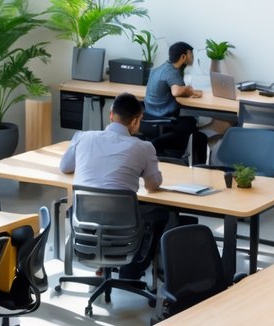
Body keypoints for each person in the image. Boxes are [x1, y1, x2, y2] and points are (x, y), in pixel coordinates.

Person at [59, 92, 170, 278]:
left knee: (105, 210)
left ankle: (104, 261)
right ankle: (132, 270)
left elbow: (65, 167)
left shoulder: (83, 137)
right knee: (162, 213)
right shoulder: (143, 147)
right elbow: (153, 185)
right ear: (135, 121)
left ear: (111, 114)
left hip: (86, 222)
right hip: (122, 225)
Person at [142, 42, 207, 163]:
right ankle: (162, 147)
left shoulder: (157, 69)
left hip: (149, 115)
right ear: (183, 57)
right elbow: (176, 91)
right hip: (164, 116)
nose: (192, 57)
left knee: (190, 125)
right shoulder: (172, 71)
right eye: (191, 54)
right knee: (191, 124)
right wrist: (189, 90)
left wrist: (188, 91)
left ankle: (167, 148)